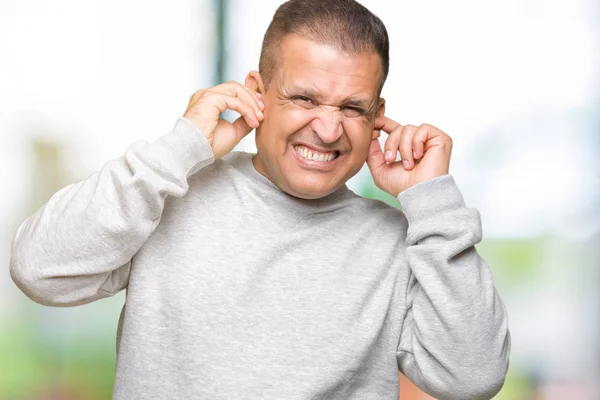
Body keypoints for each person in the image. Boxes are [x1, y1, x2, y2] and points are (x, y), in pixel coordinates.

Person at [9, 0, 511, 398]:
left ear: (378, 115)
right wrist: (179, 150)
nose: (329, 128)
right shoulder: (168, 193)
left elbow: (471, 377)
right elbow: (39, 271)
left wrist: (433, 201)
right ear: (257, 93)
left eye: (352, 108)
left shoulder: (401, 242)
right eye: (305, 98)